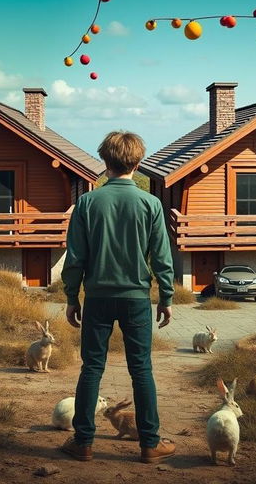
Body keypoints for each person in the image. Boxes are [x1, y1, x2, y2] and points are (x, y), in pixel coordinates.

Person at [60, 130, 176, 464]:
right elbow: (162, 257)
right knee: (141, 370)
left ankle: (83, 442)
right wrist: (166, 297)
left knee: (91, 368)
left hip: (96, 298)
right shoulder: (151, 203)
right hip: (136, 299)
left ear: (104, 161)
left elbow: (75, 256)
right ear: (138, 163)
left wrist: (72, 296)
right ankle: (150, 444)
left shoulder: (87, 202)